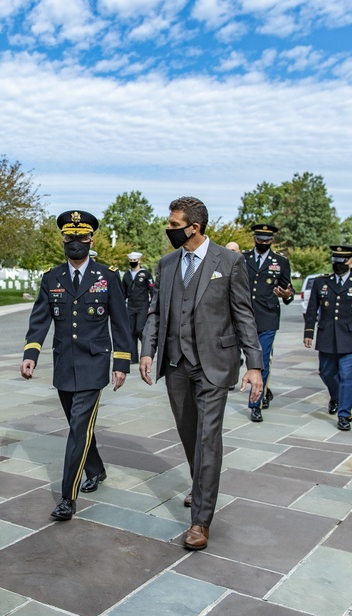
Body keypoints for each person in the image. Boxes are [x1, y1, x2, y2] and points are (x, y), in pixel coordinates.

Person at [139, 196, 263, 551]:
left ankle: (200, 521)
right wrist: (148, 350)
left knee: (208, 438)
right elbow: (154, 313)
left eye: (174, 225)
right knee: (188, 433)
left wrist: (254, 364)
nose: (169, 230)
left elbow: (243, 315)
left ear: (194, 227)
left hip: (214, 364)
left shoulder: (230, 260)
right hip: (176, 364)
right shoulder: (165, 264)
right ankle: (202, 485)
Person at [21, 210, 132, 521]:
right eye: (70, 237)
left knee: (77, 431)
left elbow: (121, 324)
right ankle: (96, 468)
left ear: (91, 240)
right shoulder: (51, 277)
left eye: (81, 237)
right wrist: (31, 354)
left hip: (94, 366)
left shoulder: (107, 277)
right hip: (63, 364)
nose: (75, 243)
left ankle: (67, 498)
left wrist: (121, 362)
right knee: (78, 426)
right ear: (63, 240)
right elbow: (40, 319)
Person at [303, 246, 352, 431]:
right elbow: (312, 308)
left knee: (348, 376)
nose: (338, 265)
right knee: (326, 372)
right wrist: (308, 332)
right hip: (327, 335)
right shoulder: (321, 282)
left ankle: (345, 415)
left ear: (351, 261)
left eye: (343, 262)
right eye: (335, 261)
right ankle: (337, 396)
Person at [244, 223, 294, 422]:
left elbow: (287, 290)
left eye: (267, 240)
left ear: (272, 240)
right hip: (244, 316)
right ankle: (264, 389)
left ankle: (255, 404)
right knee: (241, 357)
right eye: (260, 239)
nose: (263, 242)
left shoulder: (280, 261)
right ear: (255, 238)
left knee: (261, 361)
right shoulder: (243, 259)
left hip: (267, 318)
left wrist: (287, 294)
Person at [122, 251, 155, 359]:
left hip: (142, 305)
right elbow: (123, 292)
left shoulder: (145, 274)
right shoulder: (126, 276)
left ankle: (147, 350)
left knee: (140, 329)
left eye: (134, 261)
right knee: (131, 331)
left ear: (139, 261)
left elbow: (152, 289)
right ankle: (134, 356)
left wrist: (152, 304)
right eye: (131, 260)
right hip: (130, 305)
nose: (132, 262)